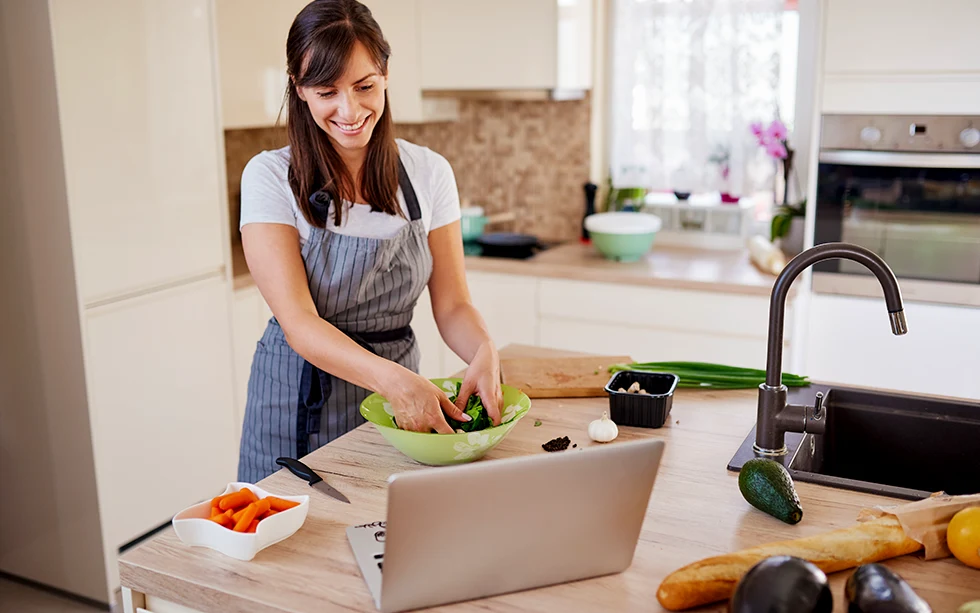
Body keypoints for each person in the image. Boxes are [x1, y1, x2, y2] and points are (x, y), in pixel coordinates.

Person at [236, 0, 501, 482]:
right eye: (326, 92)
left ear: (384, 75)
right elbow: (299, 323)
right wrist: (395, 383)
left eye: (364, 87)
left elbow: (453, 305)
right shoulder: (269, 177)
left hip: (401, 406)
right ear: (298, 90)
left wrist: (484, 350)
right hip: (297, 399)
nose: (350, 110)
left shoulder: (429, 172)